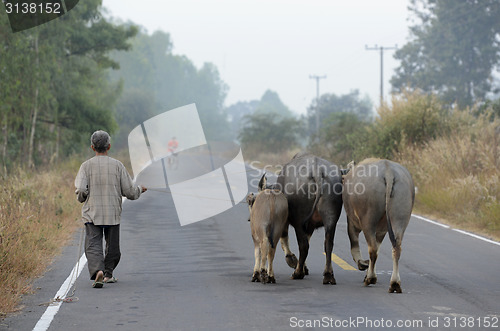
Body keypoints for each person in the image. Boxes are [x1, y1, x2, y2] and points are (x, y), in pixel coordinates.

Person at [75, 130, 147, 288]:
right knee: (113, 246)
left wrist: (81, 198)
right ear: (109, 146)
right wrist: (140, 189)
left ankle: (97, 271)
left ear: (92, 147)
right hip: (112, 213)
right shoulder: (118, 165)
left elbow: (80, 189)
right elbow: (129, 191)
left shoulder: (85, 166)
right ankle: (108, 274)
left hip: (92, 213)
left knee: (93, 244)